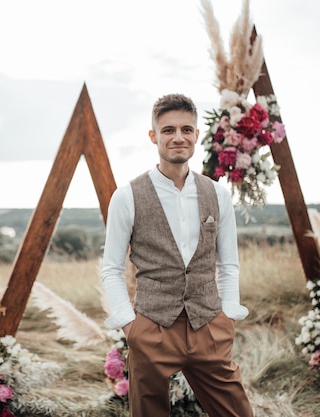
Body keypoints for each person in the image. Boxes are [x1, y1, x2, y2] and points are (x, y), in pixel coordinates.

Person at [100, 93, 254, 417]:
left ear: (197, 135)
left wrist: (226, 315)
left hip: (209, 324)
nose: (178, 137)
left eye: (186, 129)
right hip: (152, 328)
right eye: (168, 130)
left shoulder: (218, 194)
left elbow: (228, 264)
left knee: (237, 412)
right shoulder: (127, 196)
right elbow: (111, 269)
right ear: (153, 136)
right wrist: (130, 326)